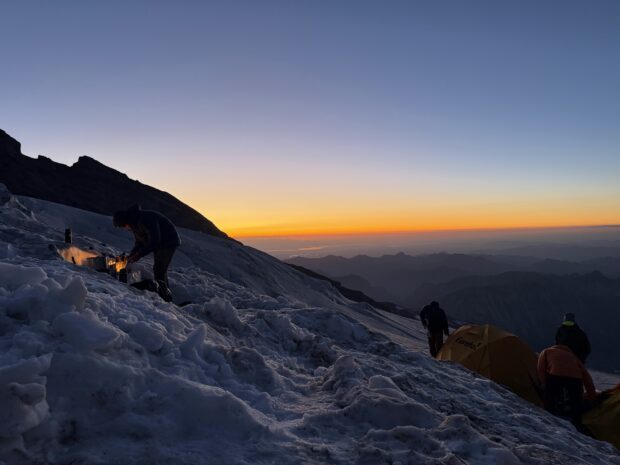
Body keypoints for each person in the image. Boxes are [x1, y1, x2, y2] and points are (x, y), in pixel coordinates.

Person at [112, 205, 181, 302]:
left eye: (124, 226)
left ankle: (165, 298)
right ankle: (163, 292)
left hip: (168, 241)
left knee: (159, 269)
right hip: (160, 243)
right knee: (159, 268)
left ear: (125, 221)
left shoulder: (145, 220)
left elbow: (155, 240)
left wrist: (139, 254)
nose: (125, 228)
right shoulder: (135, 223)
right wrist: (131, 256)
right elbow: (140, 242)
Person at [537, 343, 596, 431]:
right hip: (576, 380)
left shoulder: (547, 351)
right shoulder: (574, 357)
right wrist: (592, 398)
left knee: (550, 400)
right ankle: (577, 424)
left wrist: (544, 384)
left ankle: (549, 419)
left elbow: (540, 369)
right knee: (576, 404)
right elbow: (587, 378)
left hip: (555, 376)